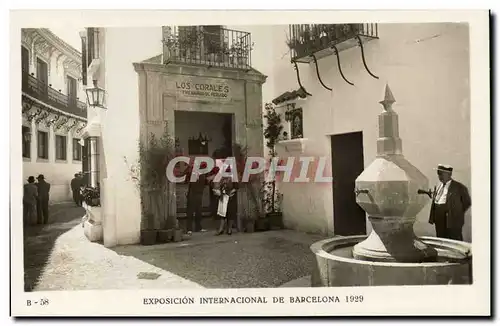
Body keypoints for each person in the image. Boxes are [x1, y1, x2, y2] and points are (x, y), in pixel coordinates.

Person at [428, 164, 471, 241]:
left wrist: (456, 212)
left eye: (441, 173)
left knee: (454, 240)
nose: (439, 176)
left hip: (452, 220)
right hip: (439, 220)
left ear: (449, 174)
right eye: (438, 173)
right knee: (441, 240)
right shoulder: (438, 186)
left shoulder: (459, 187)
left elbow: (467, 202)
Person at [213, 167, 238, 236]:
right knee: (222, 213)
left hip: (230, 198)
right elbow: (217, 187)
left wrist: (231, 193)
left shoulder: (233, 179)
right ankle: (221, 229)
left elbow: (236, 187)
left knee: (230, 213)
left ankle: (229, 229)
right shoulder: (222, 180)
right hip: (223, 197)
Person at [185, 163, 208, 235]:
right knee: (190, 212)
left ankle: (198, 227)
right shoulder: (191, 173)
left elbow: (205, 183)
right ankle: (189, 228)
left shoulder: (203, 175)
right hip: (192, 194)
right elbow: (186, 179)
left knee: (199, 211)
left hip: (199, 194)